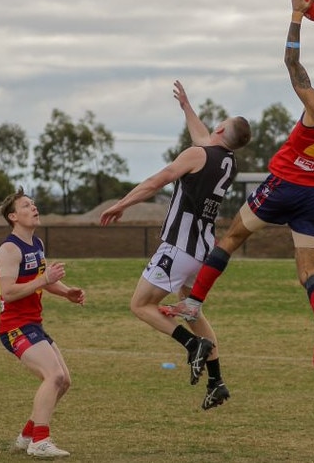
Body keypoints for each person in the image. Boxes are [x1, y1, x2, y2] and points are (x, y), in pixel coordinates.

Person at [160, 0, 314, 369]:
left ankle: (194, 302)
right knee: (309, 270)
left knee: (233, 236)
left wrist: (295, 14)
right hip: (312, 194)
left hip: (283, 185)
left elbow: (292, 64)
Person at [100, 80, 251, 409]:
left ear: (222, 127)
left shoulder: (197, 154)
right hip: (203, 250)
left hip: (180, 247)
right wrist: (186, 106)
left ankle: (189, 345)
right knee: (191, 307)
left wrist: (122, 203)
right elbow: (203, 139)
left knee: (140, 305)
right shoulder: (227, 162)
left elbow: (157, 181)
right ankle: (216, 381)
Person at [0, 188, 86, 458]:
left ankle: (27, 436)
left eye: (34, 204)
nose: (34, 207)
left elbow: (44, 279)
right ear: (13, 216)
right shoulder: (10, 249)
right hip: (14, 327)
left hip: (32, 324)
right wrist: (45, 281)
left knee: (64, 381)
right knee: (54, 376)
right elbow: (9, 292)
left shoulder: (37, 244)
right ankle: (40, 442)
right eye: (26, 205)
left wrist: (66, 291)